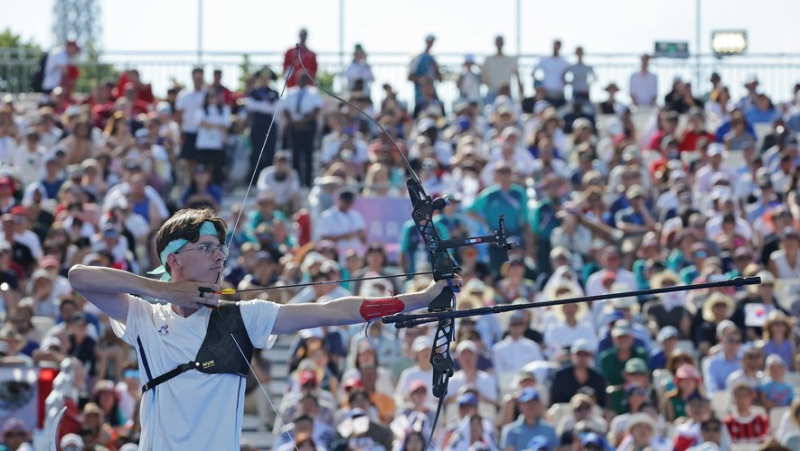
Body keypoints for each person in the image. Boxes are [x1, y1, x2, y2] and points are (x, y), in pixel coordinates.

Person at [67, 207, 460, 450]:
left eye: (220, 248)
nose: (218, 255)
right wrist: (165, 291)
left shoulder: (242, 316)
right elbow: (79, 276)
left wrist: (421, 298)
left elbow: (329, 312)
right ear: (173, 259)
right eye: (205, 247)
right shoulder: (144, 317)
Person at [482, 35, 523, 103]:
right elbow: (484, 77)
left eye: (500, 42)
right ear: (495, 44)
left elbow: (517, 76)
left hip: (507, 94)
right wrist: (494, 88)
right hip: (492, 93)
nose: (499, 44)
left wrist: (521, 93)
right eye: (498, 42)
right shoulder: (488, 60)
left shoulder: (511, 60)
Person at [533, 40, 570, 107]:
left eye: (557, 46)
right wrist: (539, 85)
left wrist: (566, 82)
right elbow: (533, 72)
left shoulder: (564, 62)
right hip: (547, 93)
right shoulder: (545, 60)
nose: (556, 48)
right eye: (555, 46)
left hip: (560, 93)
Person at [408, 34, 442, 106]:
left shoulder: (433, 59)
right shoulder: (418, 58)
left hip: (431, 97)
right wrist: (422, 80)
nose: (431, 43)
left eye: (432, 41)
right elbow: (410, 77)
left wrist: (437, 69)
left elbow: (440, 78)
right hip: (420, 97)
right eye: (429, 41)